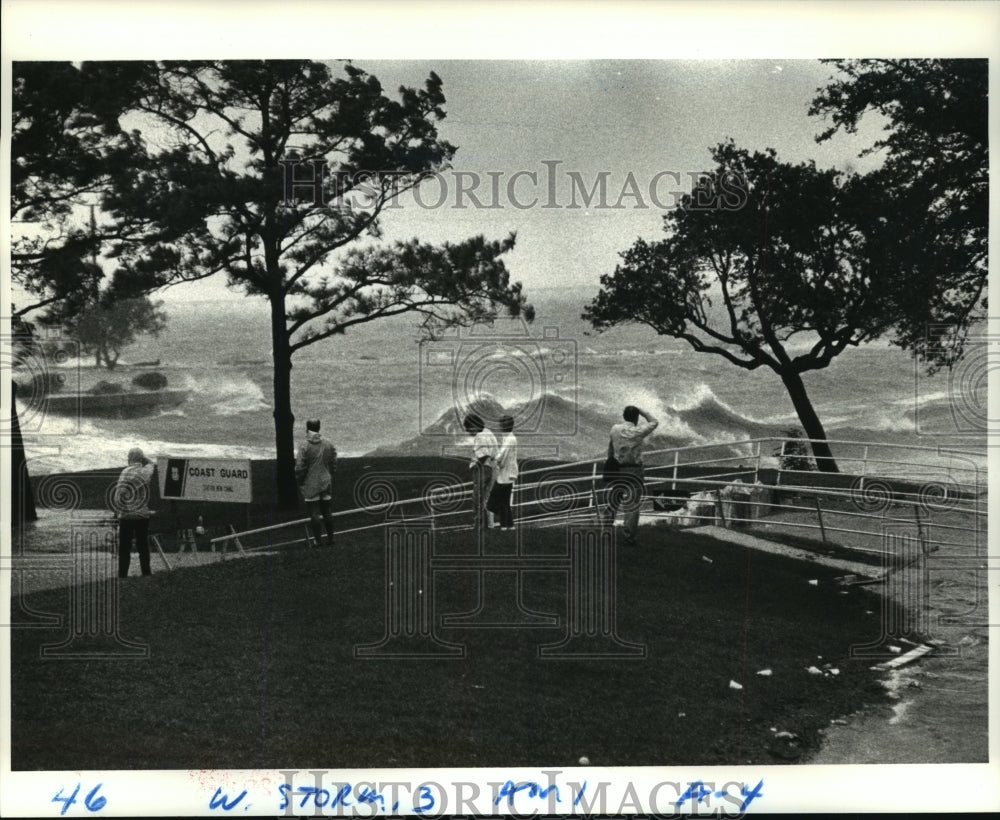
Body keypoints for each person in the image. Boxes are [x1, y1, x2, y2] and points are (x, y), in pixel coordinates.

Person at [605, 405, 659, 546]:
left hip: (618, 468)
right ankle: (629, 537)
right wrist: (641, 410)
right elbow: (654, 422)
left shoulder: (615, 429)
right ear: (636, 418)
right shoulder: (638, 431)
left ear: (624, 417)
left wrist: (609, 462)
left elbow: (610, 448)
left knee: (613, 500)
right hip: (634, 471)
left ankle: (605, 529)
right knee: (632, 505)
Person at [295, 418, 338, 547]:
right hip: (325, 479)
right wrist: (331, 472)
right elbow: (334, 460)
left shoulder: (304, 446)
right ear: (319, 428)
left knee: (314, 512)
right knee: (327, 510)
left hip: (311, 481)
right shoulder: (328, 444)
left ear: (307, 429)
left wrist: (300, 480)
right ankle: (330, 539)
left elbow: (299, 467)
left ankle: (318, 540)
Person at [114, 447, 156, 577]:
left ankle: (122, 574)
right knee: (143, 546)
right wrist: (145, 459)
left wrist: (119, 511)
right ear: (141, 459)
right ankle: (146, 573)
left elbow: (118, 496)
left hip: (126, 515)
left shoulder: (125, 472)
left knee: (124, 548)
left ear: (130, 459)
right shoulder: (145, 472)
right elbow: (152, 464)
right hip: (142, 515)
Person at [464, 412, 498, 531]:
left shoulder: (480, 436)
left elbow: (484, 455)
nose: (469, 432)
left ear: (474, 426)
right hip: (493, 467)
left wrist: (474, 465)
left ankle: (478, 526)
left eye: (469, 429)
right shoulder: (488, 432)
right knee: (487, 499)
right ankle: (489, 525)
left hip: (484, 468)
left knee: (477, 498)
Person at [487, 415, 517, 530]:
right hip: (509, 473)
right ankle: (508, 525)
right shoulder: (510, 437)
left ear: (504, 426)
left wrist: (494, 459)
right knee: (505, 500)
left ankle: (506, 524)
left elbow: (502, 454)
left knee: (493, 501)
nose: (499, 426)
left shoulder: (509, 439)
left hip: (506, 473)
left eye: (501, 424)